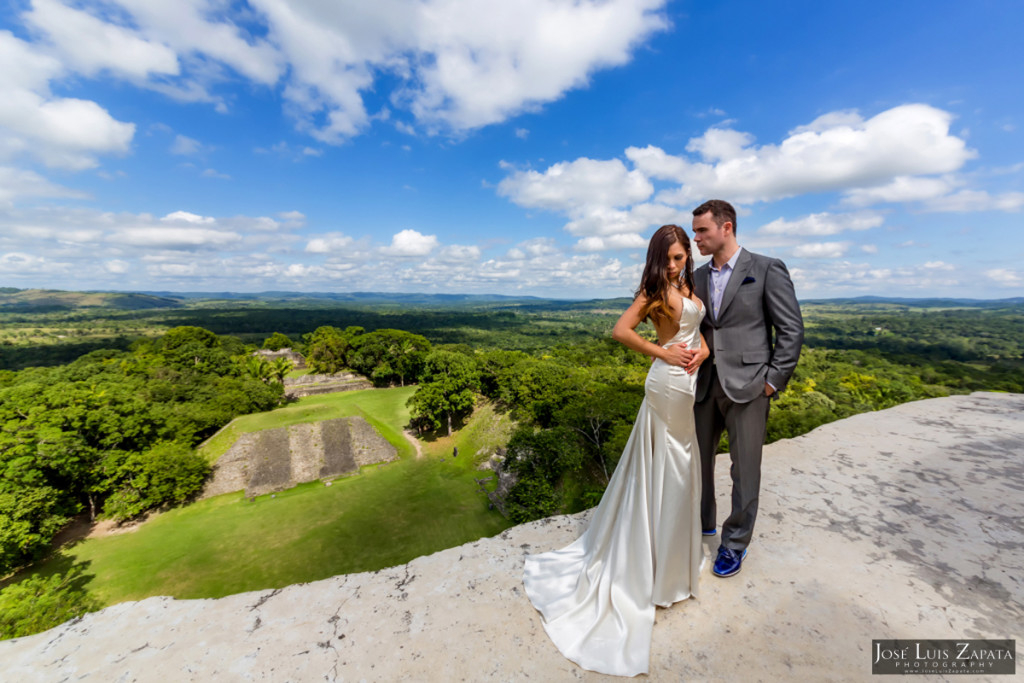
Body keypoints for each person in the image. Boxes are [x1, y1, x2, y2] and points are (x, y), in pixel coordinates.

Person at [523, 225, 709, 677]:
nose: (673, 264)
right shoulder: (654, 290)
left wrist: (701, 349)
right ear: (656, 258)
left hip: (688, 382)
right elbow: (621, 330)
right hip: (667, 384)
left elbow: (697, 332)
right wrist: (662, 354)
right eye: (667, 258)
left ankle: (671, 561)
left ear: (687, 255)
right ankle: (652, 568)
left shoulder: (690, 285)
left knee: (681, 464)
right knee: (671, 466)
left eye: (680, 256)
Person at [690, 199, 804, 578]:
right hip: (705, 384)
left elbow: (791, 330)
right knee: (697, 462)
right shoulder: (698, 277)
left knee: (746, 471)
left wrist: (772, 382)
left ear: (726, 227)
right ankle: (703, 523)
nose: (696, 238)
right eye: (695, 231)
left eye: (702, 230)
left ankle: (734, 543)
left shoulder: (768, 269)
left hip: (751, 386)